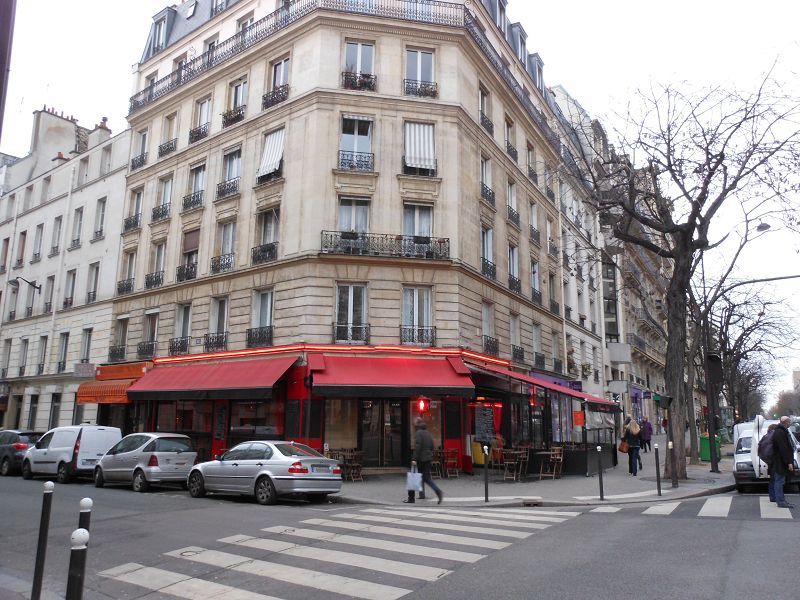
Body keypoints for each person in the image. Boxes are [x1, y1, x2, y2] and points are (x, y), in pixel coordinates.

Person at [404, 417, 443, 504]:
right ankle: (438, 491)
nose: (414, 424)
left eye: (414, 422)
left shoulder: (418, 433)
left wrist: (414, 458)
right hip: (428, 459)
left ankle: (411, 498)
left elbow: (418, 446)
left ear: (417, 424)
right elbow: (432, 446)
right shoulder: (428, 433)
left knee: (412, 476)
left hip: (420, 459)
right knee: (427, 478)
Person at [770, 416, 795, 509]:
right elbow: (783, 449)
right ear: (785, 422)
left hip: (779, 460)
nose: (790, 423)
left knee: (778, 480)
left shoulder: (780, 431)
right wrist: (788, 462)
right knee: (779, 481)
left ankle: (780, 499)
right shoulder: (780, 432)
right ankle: (781, 501)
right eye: (789, 422)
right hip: (780, 461)